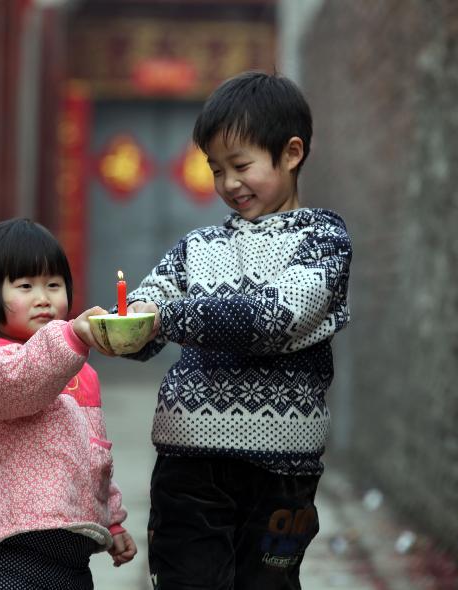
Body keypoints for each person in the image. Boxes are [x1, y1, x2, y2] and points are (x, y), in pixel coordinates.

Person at [122, 72, 352, 589]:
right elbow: (150, 307)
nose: (228, 184)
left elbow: (276, 318)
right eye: (216, 169)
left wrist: (171, 317)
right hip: (188, 463)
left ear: (291, 153)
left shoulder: (324, 241)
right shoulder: (196, 246)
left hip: (282, 475)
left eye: (241, 165)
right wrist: (126, 324)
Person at [0, 218, 137, 589]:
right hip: (9, 554)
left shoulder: (82, 374)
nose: (43, 297)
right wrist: (72, 338)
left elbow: (96, 458)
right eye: (26, 285)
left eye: (54, 285)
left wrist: (112, 519)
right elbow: (25, 382)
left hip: (73, 559)